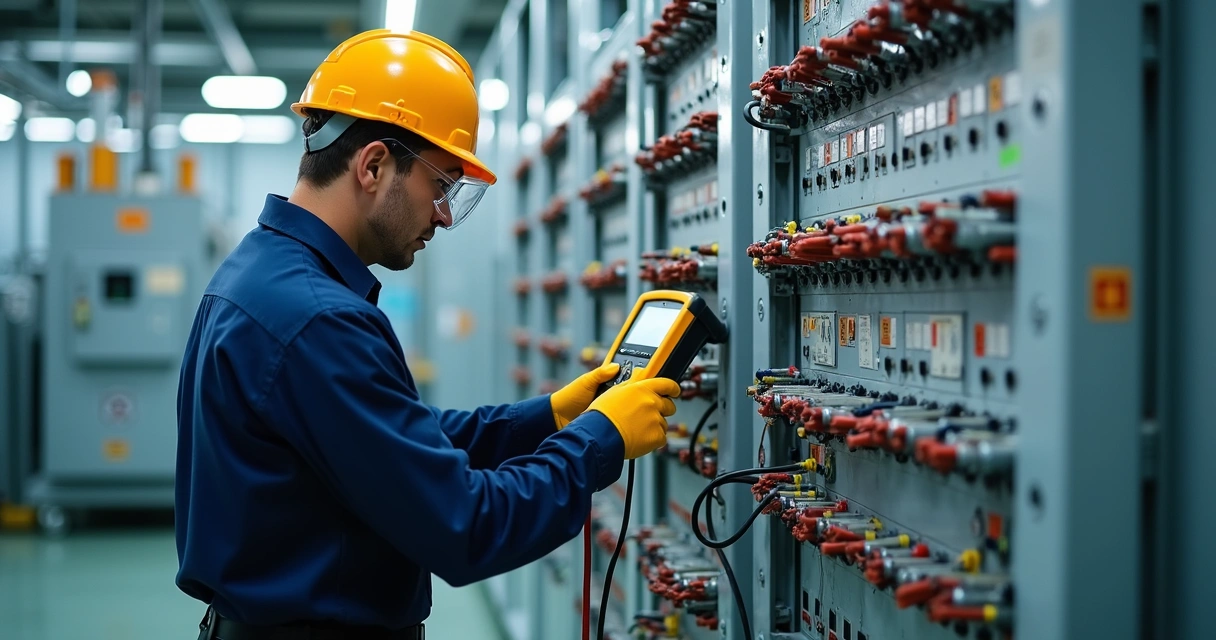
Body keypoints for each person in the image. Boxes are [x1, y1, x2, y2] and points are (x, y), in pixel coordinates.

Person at [176, 29, 681, 640]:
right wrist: (601, 441)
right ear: (373, 165)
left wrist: (548, 417)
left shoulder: (260, 274)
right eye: (440, 186)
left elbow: (389, 441)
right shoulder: (319, 320)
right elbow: (465, 526)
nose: (443, 215)